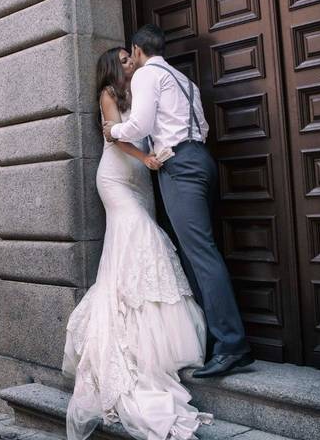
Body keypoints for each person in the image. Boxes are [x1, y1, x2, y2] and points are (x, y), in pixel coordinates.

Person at [62, 45, 210, 440]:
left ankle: (153, 340)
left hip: (142, 179)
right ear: (114, 65)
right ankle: (128, 348)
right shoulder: (109, 93)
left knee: (137, 252)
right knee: (142, 239)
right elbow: (115, 139)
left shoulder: (142, 88)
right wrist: (145, 159)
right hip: (117, 178)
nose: (131, 61)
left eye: (132, 56)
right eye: (125, 57)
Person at [104, 24, 251, 377]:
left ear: (138, 50)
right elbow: (203, 127)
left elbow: (138, 126)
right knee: (197, 251)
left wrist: (113, 131)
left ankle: (232, 345)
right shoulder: (185, 81)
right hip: (201, 159)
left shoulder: (145, 75)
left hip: (180, 168)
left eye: (130, 55)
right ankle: (218, 341)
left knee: (201, 254)